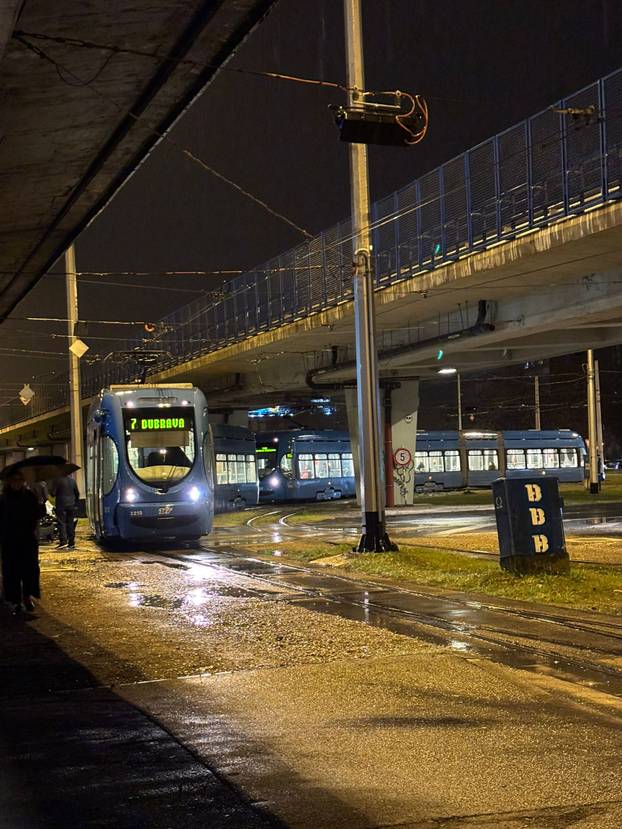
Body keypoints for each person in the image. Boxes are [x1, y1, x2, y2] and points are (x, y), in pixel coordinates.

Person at [0, 470, 41, 613]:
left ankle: (27, 596)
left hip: (27, 540)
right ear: (9, 482)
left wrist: (40, 505)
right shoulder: (3, 499)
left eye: (19, 480)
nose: (17, 483)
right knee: (12, 572)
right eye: (14, 480)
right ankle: (16, 601)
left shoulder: (30, 496)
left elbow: (37, 515)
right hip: (10, 541)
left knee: (29, 570)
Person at [51, 473, 80, 550]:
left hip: (61, 505)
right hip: (71, 505)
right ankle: (71, 543)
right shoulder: (73, 481)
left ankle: (63, 542)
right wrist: (75, 503)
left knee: (62, 523)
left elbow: (53, 493)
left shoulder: (57, 480)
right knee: (70, 523)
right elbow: (77, 493)